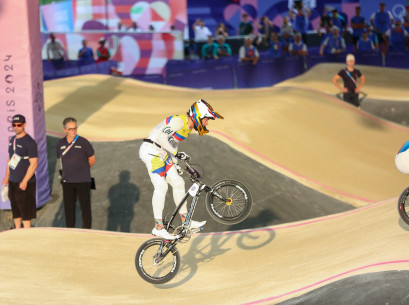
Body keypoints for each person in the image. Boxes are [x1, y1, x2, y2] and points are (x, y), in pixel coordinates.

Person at [139, 99, 224, 240]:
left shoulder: (187, 129)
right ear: (198, 116)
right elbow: (161, 139)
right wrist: (176, 154)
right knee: (161, 185)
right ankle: (158, 227)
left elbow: (172, 144)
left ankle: (186, 222)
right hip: (151, 150)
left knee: (179, 183)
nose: (207, 123)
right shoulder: (179, 121)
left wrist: (176, 163)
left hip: (163, 154)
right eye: (207, 119)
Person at [56, 117, 96, 229]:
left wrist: (82, 169)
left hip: (83, 180)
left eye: (75, 128)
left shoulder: (83, 142)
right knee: (69, 208)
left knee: (85, 208)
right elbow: (61, 159)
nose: (73, 131)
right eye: (70, 129)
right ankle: (70, 229)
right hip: (67, 181)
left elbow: (92, 159)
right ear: (65, 130)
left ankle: (87, 230)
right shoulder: (60, 143)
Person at [2, 114, 38, 229]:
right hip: (13, 180)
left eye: (19, 125)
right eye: (14, 125)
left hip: (25, 182)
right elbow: (10, 158)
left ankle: (27, 232)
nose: (16, 127)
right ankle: (17, 230)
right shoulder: (12, 140)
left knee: (26, 210)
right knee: (15, 207)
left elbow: (34, 164)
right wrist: (6, 176)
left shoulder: (30, 142)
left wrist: (25, 181)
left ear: (24, 125)